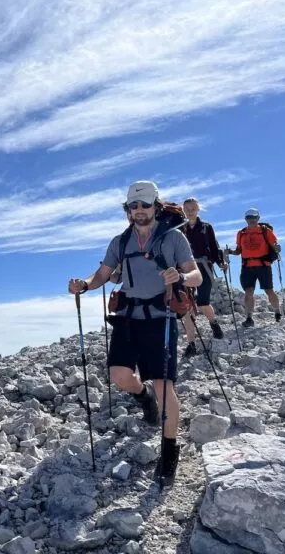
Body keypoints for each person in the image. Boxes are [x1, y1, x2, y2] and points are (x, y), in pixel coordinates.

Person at [68, 180, 202, 484]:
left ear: (156, 206)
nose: (139, 211)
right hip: (129, 316)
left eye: (145, 205)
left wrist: (180, 275)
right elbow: (103, 273)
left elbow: (194, 275)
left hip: (161, 316)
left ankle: (169, 451)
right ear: (127, 210)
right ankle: (144, 398)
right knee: (119, 377)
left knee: (164, 384)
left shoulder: (173, 238)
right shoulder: (120, 241)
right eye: (133, 206)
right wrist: (85, 285)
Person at [179, 198, 227, 356]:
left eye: (193, 208)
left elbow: (214, 246)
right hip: (185, 270)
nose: (190, 211)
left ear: (198, 209)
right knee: (185, 307)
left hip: (204, 268)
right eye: (187, 209)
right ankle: (191, 343)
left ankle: (213, 323)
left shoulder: (206, 227)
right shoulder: (180, 229)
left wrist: (221, 262)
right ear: (183, 210)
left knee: (203, 302)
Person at [225, 208, 282, 326]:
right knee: (248, 292)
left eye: (254, 217)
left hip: (263, 266)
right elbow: (239, 251)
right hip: (247, 267)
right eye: (249, 217)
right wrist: (229, 252)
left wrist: (277, 248)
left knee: (269, 291)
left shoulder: (265, 231)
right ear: (246, 219)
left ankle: (277, 312)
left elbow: (274, 245)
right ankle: (249, 318)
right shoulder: (241, 233)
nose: (251, 220)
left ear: (258, 218)